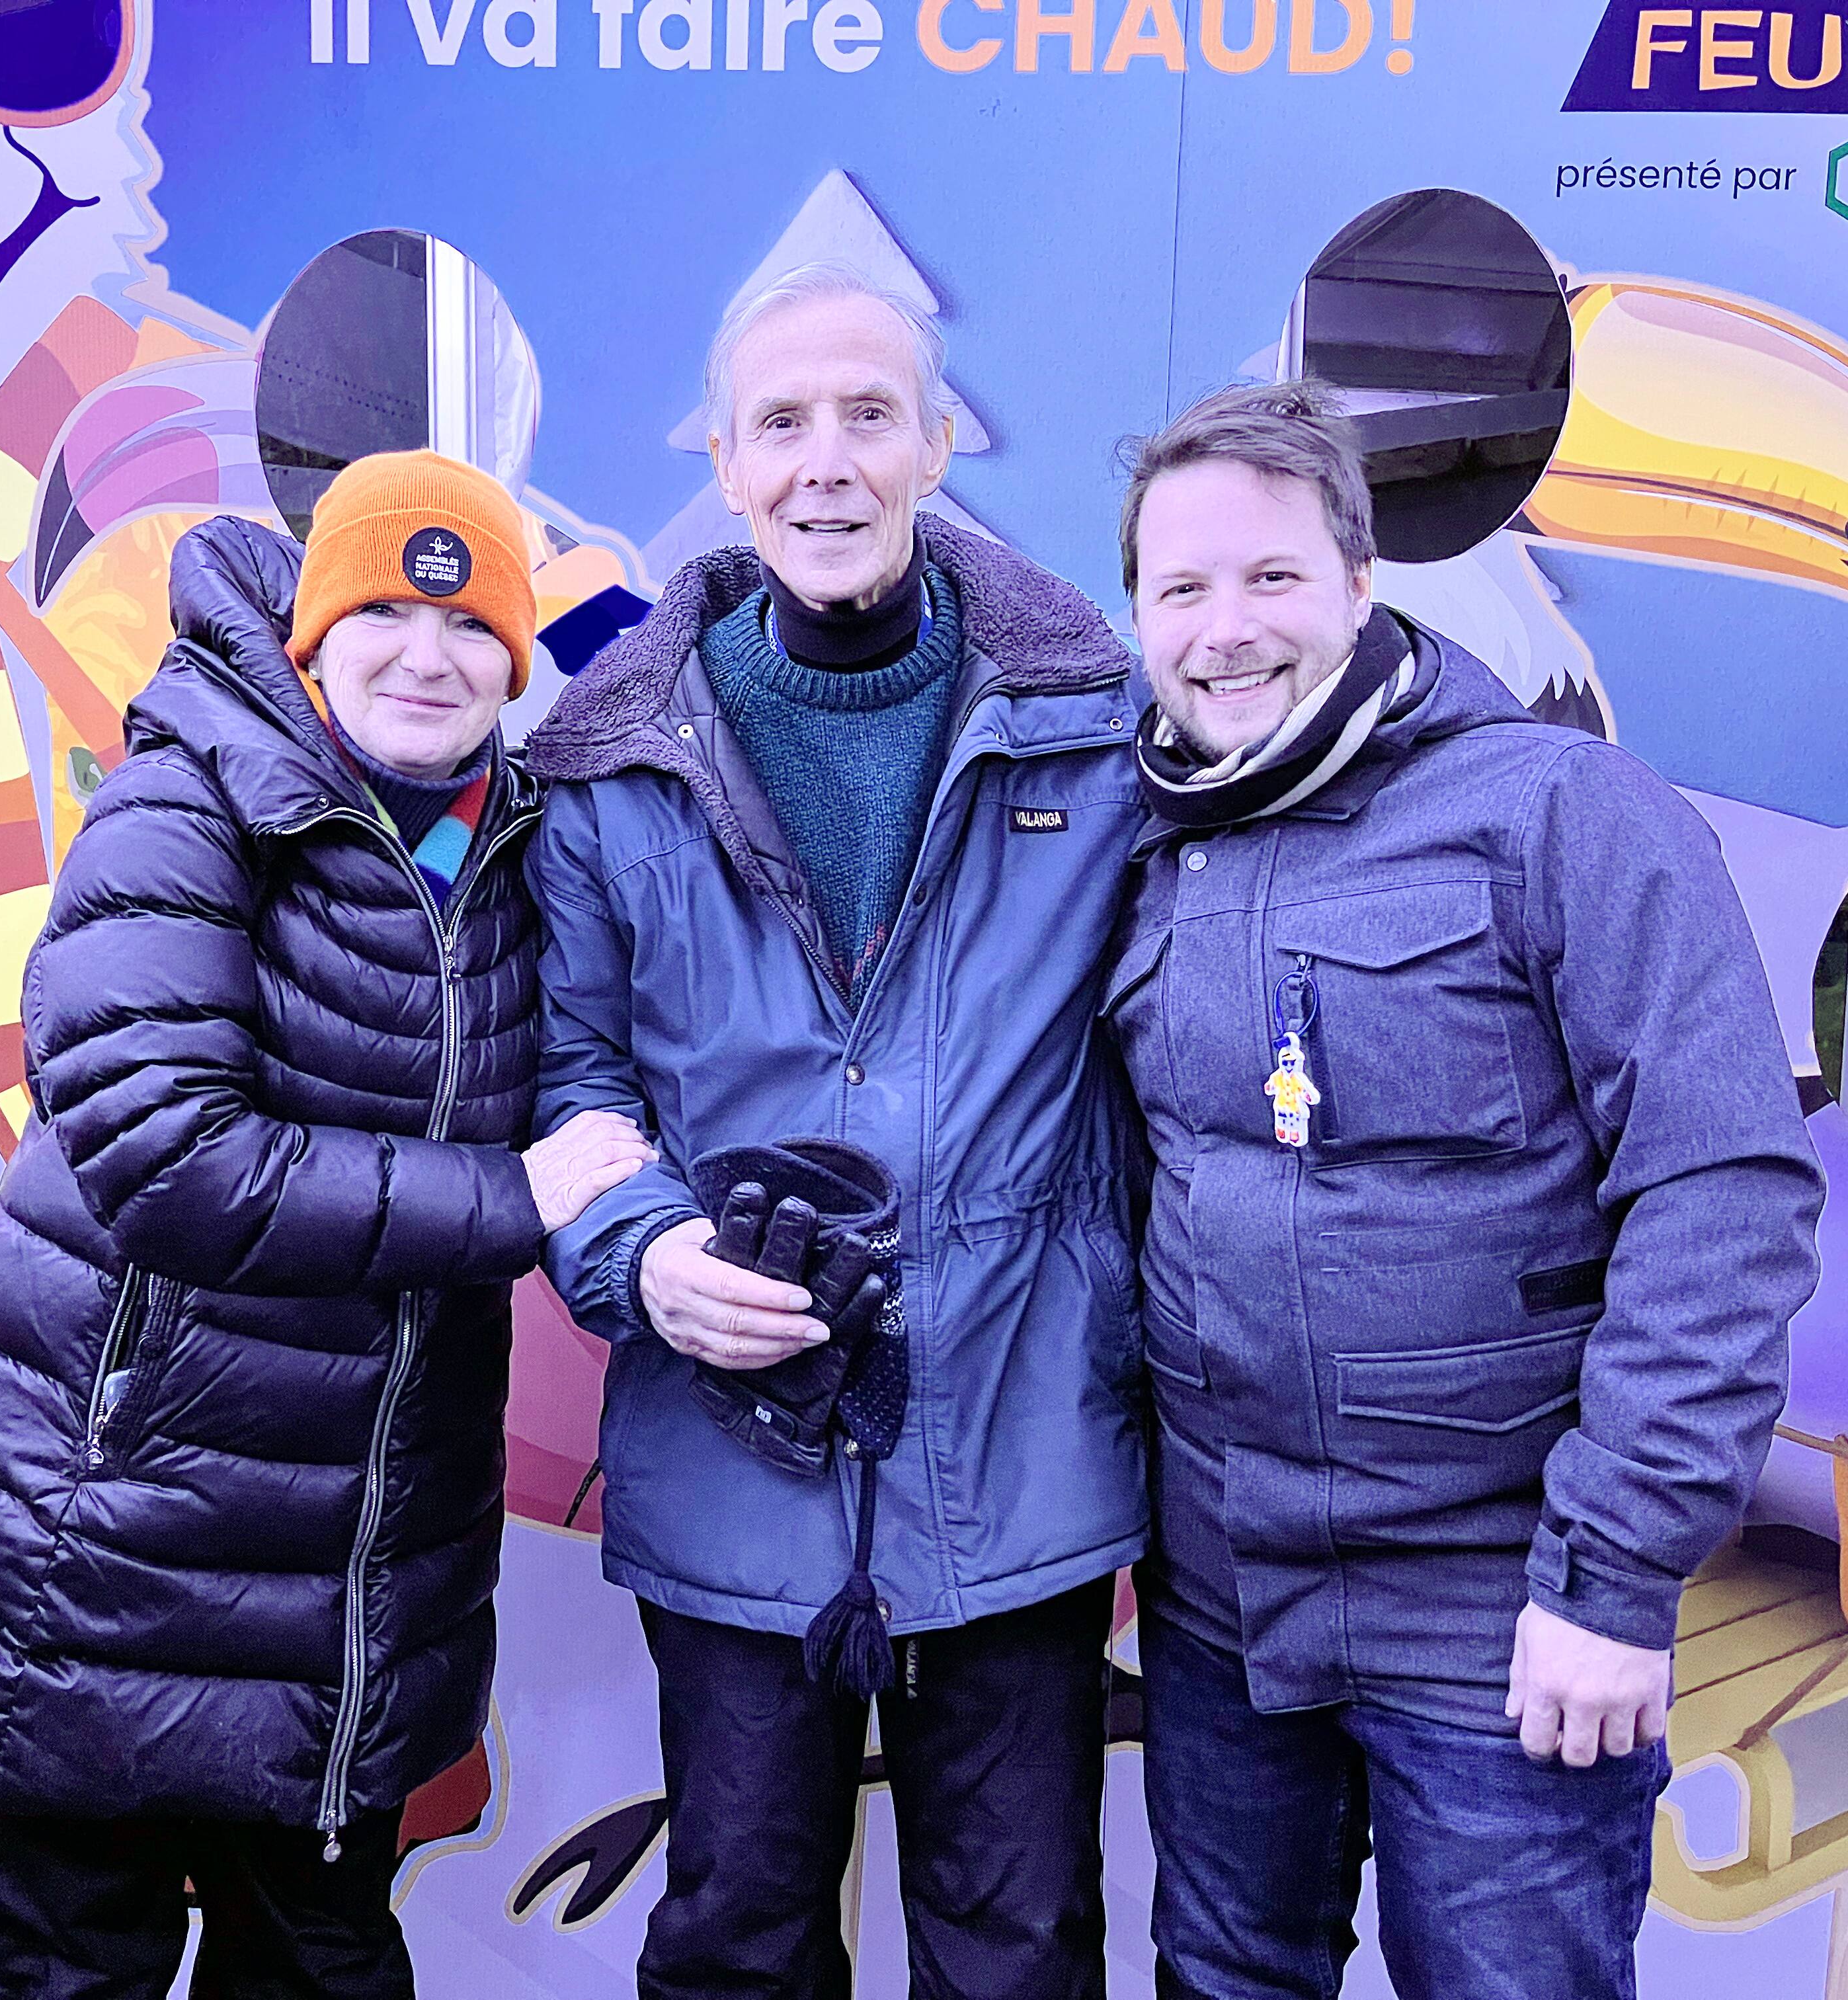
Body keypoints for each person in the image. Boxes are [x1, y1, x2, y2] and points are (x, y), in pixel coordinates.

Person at [0, 451, 653, 1999]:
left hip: (349, 1591)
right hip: (105, 1554)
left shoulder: (520, 851)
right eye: (383, 615)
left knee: (322, 1966)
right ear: (314, 631)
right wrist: (512, 1198)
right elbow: (167, 1156)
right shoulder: (188, 799)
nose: (426, 657)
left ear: (515, 658)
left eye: (470, 624)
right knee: (72, 1966)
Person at [1102, 381, 1826, 1999]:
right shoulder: (1144, 850)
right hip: (1226, 1612)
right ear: (1139, 617)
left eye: (1273, 576)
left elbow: (1723, 1198)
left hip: (1503, 1620)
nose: (1227, 629)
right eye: (1182, 588)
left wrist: (1614, 1577)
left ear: (1362, 582)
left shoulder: (1565, 813)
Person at [521, 262, 1148, 2000]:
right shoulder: (610, 767)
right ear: (725, 463)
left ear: (939, 443)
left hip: (1019, 1452)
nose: (828, 462)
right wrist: (646, 1257)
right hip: (730, 1468)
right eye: (782, 422)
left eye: (871, 414)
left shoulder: (1101, 735)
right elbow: (571, 1087)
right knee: (738, 1944)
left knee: (1018, 1956)